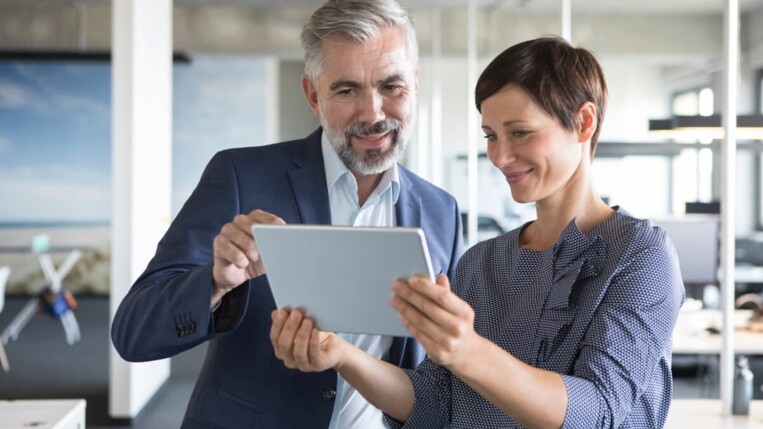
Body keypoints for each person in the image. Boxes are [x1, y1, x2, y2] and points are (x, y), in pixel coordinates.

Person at [271, 36, 684, 428]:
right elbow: (432, 403)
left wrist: (468, 350)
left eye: (520, 132)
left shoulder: (639, 253)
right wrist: (341, 354)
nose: (500, 156)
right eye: (491, 136)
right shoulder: (482, 261)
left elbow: (597, 412)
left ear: (584, 122)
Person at [110, 1, 464, 428]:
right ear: (313, 95)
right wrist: (217, 280)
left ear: (415, 84)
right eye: (347, 90)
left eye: (392, 86)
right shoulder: (240, 176)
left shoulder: (440, 211)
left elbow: (438, 374)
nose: (373, 113)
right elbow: (132, 332)